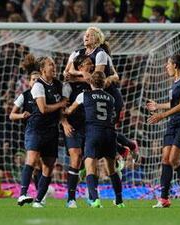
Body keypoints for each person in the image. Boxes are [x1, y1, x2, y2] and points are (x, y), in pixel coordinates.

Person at [64, 26, 137, 159]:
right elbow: (66, 73)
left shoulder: (100, 54)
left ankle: (123, 150)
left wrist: (75, 77)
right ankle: (122, 150)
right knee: (96, 129)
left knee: (104, 129)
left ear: (97, 39)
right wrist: (81, 73)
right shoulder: (76, 53)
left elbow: (97, 79)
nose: (86, 36)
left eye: (90, 35)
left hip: (109, 97)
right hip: (94, 97)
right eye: (85, 34)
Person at [65, 71, 125, 208]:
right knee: (112, 170)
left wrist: (63, 109)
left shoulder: (84, 95)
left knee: (90, 167)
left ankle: (95, 200)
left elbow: (70, 111)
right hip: (110, 133)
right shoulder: (111, 98)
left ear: (90, 82)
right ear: (104, 83)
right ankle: (120, 201)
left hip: (93, 132)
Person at [147, 54, 180, 209]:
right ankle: (164, 199)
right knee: (165, 159)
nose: (165, 66)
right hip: (173, 123)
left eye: (168, 63)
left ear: (175, 65)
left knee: (174, 159)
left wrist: (161, 115)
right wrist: (158, 106)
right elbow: (173, 103)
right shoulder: (175, 83)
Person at [17, 54, 67, 208]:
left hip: (52, 130)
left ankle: (39, 200)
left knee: (48, 166)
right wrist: (60, 104)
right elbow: (43, 109)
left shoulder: (59, 84)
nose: (54, 66)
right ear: (42, 69)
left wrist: (63, 120)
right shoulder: (38, 85)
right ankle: (23, 194)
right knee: (31, 160)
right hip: (36, 128)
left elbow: (63, 105)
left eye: (53, 63)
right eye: (50, 64)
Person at [61, 54, 93, 208]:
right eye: (88, 64)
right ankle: (71, 199)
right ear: (79, 67)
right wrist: (64, 123)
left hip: (88, 126)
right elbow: (61, 108)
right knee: (76, 156)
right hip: (72, 126)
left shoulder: (92, 83)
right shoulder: (67, 86)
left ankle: (91, 196)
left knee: (88, 160)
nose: (91, 66)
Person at [10, 61, 43, 206]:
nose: (36, 81)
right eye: (33, 79)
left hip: (47, 132)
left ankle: (40, 195)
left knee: (40, 165)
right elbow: (11, 115)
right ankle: (23, 193)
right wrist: (21, 115)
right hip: (32, 131)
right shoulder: (24, 96)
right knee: (32, 161)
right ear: (29, 82)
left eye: (38, 79)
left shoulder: (45, 94)